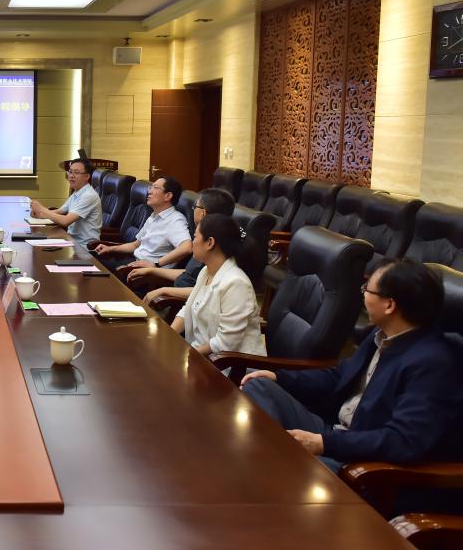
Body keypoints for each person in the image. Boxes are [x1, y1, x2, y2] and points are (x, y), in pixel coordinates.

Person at [242, 259, 463, 471]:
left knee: (278, 460)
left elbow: (402, 441)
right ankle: (273, 458)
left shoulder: (433, 363)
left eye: (367, 289)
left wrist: (323, 444)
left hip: (360, 462)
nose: (363, 294)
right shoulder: (380, 334)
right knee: (260, 384)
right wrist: (280, 378)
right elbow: (338, 377)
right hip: (334, 431)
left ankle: (272, 460)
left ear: (389, 305)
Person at [171, 213, 265, 356]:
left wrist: (186, 356)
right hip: (200, 353)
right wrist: (168, 335)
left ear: (210, 243)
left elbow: (225, 342)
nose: (192, 242)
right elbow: (188, 309)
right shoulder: (206, 271)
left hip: (229, 363)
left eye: (195, 237)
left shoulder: (236, 283)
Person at [134, 188, 236, 305]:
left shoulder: (214, 246)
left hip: (181, 302)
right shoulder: (207, 238)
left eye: (195, 207)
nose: (192, 242)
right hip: (178, 300)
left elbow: (208, 291)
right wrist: (152, 270)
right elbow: (189, 275)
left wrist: (164, 290)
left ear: (203, 213)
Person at [93, 176, 191, 271]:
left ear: (168, 196)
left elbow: (186, 248)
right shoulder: (154, 216)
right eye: (151, 187)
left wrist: (156, 264)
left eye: (155, 187)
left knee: (95, 267)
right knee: (93, 260)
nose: (149, 191)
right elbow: (135, 245)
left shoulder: (175, 220)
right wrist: (110, 249)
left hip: (147, 273)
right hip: (133, 262)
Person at [29, 158, 102, 246]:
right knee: (36, 241)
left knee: (40, 246)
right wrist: (39, 214)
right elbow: (59, 211)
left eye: (76, 172)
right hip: (71, 240)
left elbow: (65, 221)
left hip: (84, 246)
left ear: (87, 176)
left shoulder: (88, 196)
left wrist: (42, 209)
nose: (71, 176)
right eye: (70, 172)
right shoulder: (77, 192)